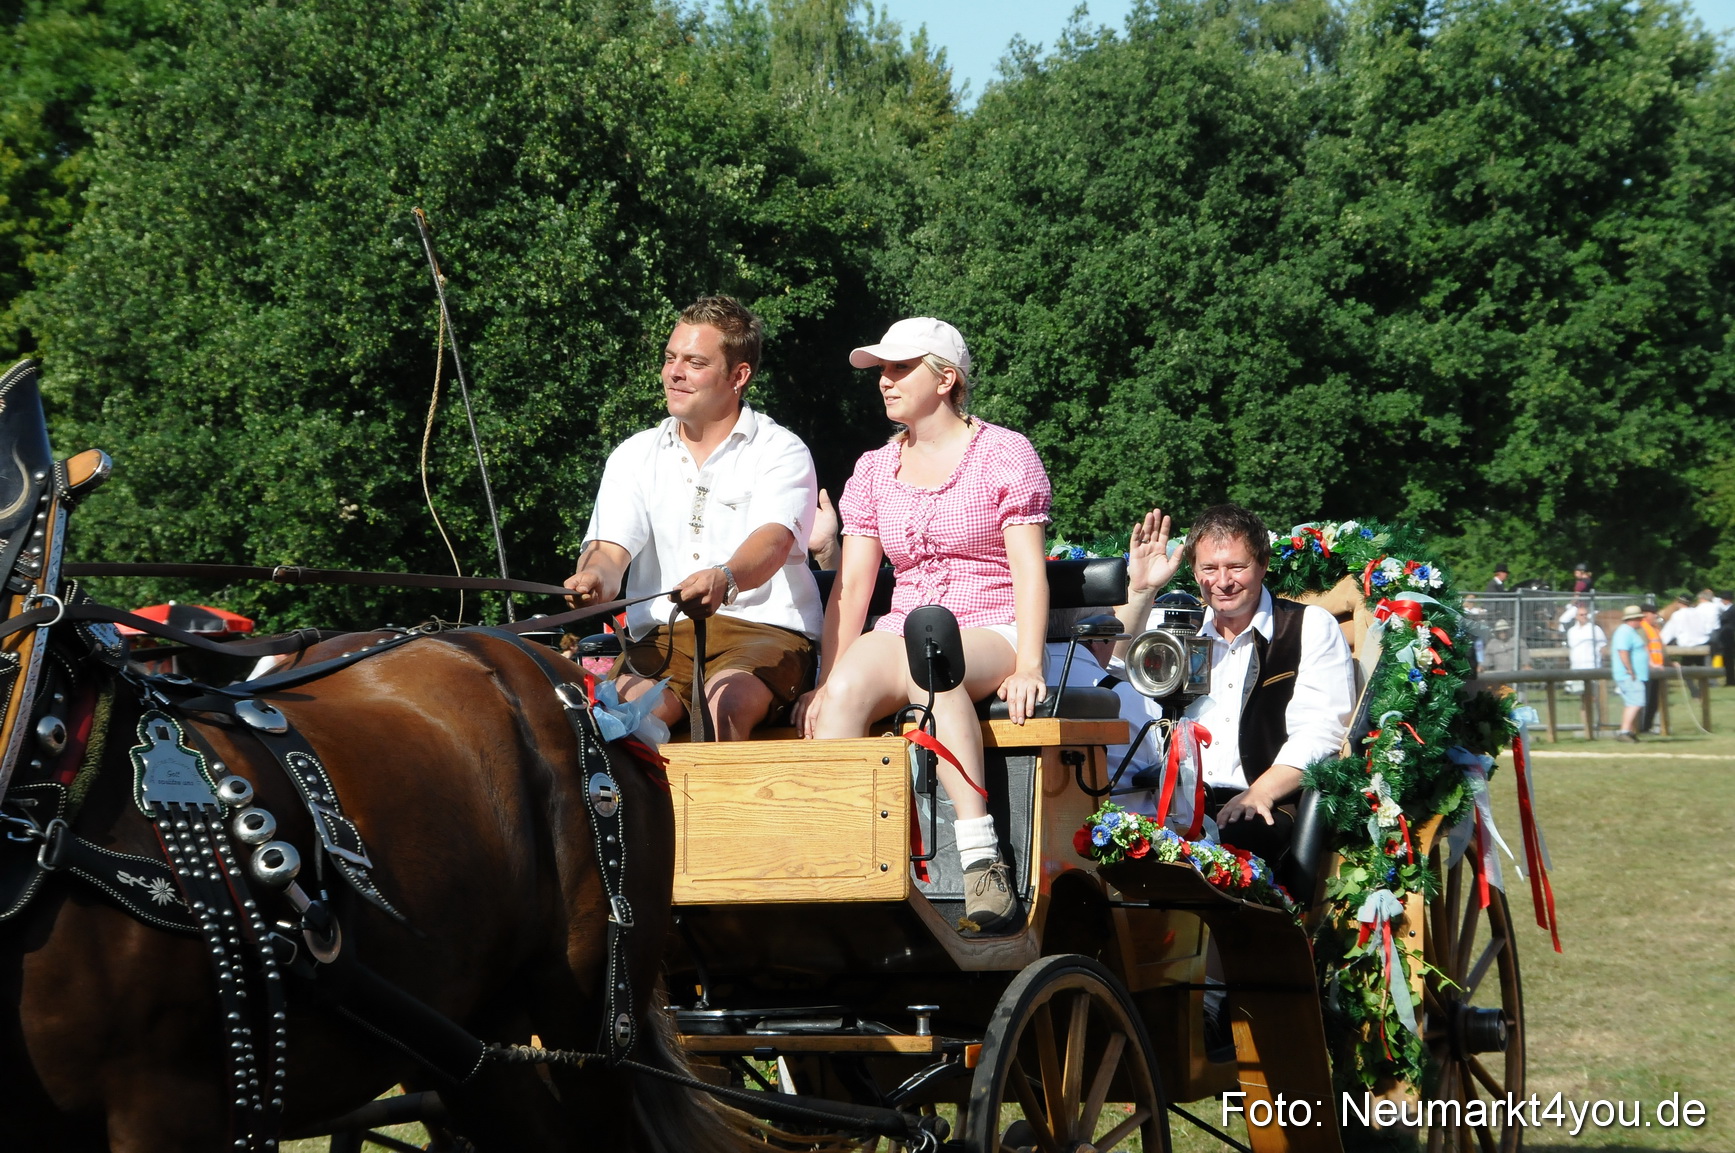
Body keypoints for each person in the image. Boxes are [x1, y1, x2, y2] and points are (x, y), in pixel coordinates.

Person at [797, 317, 1051, 936]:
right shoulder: (875, 467)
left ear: (946, 378)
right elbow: (854, 586)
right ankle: (841, 859)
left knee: (930, 657)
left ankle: (981, 861)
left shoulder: (1003, 453)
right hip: (910, 623)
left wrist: (1030, 665)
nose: (884, 382)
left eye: (898, 368)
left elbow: (1027, 569)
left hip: (990, 623)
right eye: (880, 369)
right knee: (849, 690)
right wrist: (827, 679)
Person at [564, 296, 823, 740]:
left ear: (739, 376)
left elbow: (773, 542)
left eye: (694, 362)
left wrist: (725, 576)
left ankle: (735, 812)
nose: (674, 372)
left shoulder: (781, 449)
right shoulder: (634, 455)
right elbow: (609, 550)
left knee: (724, 704)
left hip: (765, 634)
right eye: (670, 358)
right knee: (618, 719)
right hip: (662, 641)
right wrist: (593, 582)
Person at [1113, 504, 1356, 864]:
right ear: (1194, 572)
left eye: (1236, 567)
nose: (1222, 582)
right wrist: (1142, 590)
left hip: (1260, 803)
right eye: (1209, 568)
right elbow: (1115, 668)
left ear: (1263, 565)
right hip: (1166, 805)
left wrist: (1260, 793)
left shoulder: (1308, 627)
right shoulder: (1176, 629)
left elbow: (1320, 731)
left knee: (1233, 837)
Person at [1609, 605, 1649, 741]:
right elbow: (1623, 651)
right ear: (1634, 619)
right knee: (1636, 702)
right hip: (1628, 674)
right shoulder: (1624, 632)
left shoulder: (1630, 631)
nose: (1641, 621)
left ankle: (1628, 731)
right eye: (1639, 619)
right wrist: (1629, 669)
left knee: (1633, 702)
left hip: (1633, 674)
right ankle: (1624, 732)